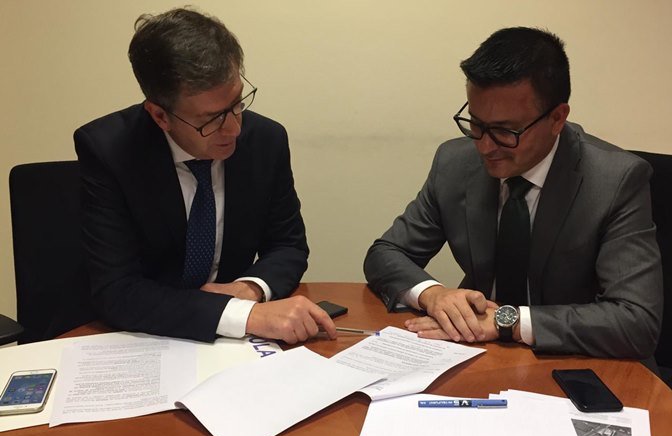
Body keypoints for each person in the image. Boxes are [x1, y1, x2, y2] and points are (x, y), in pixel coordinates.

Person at [364, 27, 663, 359]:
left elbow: (636, 321)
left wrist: (508, 322)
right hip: (477, 354)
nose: (484, 146)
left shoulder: (614, 181)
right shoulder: (455, 163)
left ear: (557, 118)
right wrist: (432, 294)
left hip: (573, 359)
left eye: (506, 131)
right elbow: (386, 254)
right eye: (476, 124)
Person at [75, 7, 336, 344]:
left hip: (234, 346)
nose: (234, 129)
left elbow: (287, 245)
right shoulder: (110, 151)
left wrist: (250, 288)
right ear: (159, 116)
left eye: (238, 103)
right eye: (211, 119)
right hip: (145, 339)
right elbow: (117, 290)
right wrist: (241, 315)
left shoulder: (265, 140)